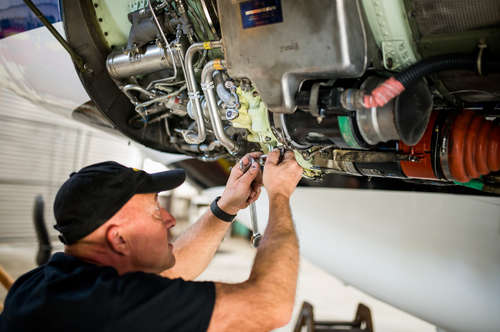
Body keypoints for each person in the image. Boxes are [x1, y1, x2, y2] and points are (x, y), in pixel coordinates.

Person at [0, 149, 303, 331]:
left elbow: (175, 268)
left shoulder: (42, 285)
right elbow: (270, 306)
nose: (170, 219)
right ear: (118, 239)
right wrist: (279, 195)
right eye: (156, 213)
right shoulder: (108, 306)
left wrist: (226, 206)